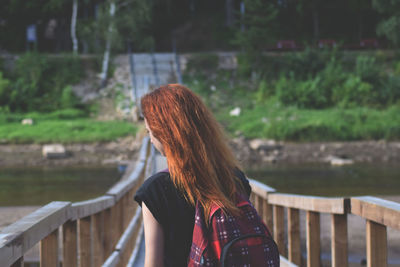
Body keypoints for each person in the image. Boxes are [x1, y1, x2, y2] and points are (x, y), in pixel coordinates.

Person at [134, 84, 251, 267]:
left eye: (151, 132)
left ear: (165, 134)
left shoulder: (155, 191)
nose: (150, 139)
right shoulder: (235, 178)